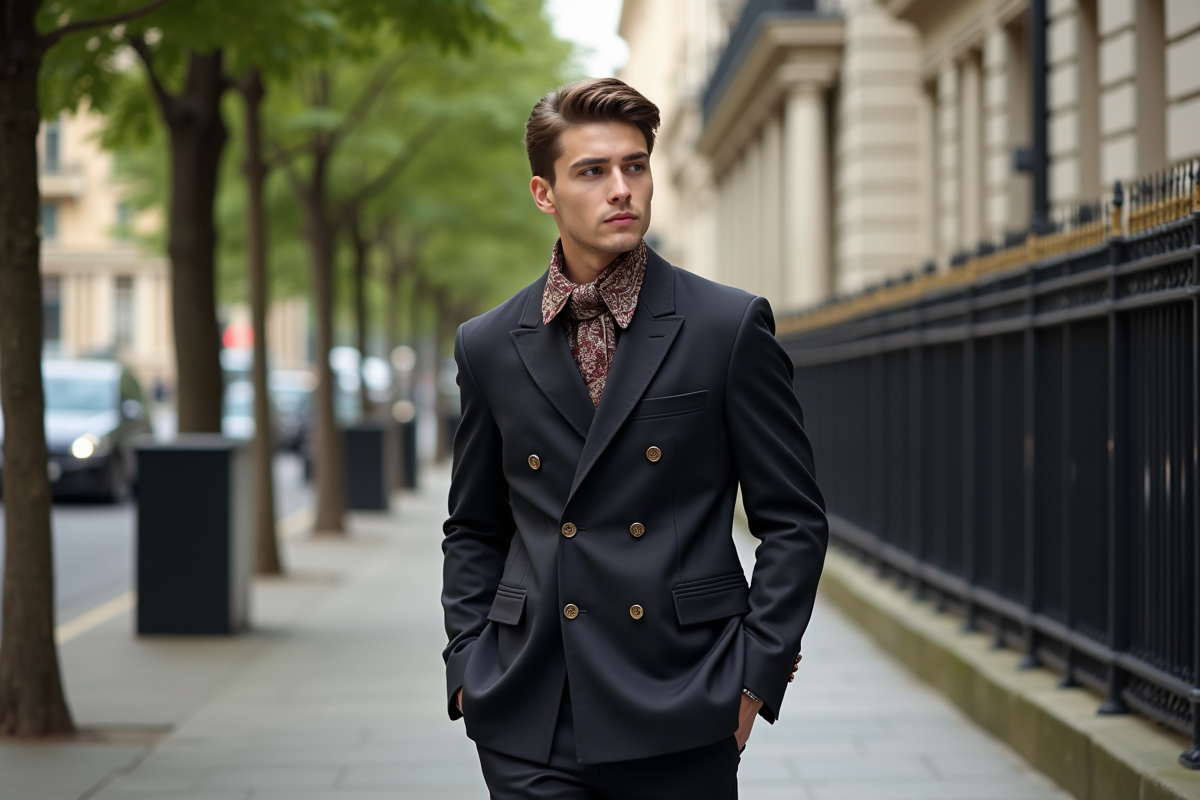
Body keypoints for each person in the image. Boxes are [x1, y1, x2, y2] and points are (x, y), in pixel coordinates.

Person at [441, 77, 828, 799]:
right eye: (592, 171)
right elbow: (474, 525)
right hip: (530, 709)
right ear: (544, 193)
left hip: (682, 699)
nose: (621, 188)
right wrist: (467, 665)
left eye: (635, 166)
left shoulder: (725, 327)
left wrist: (754, 678)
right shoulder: (488, 344)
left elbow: (794, 520)